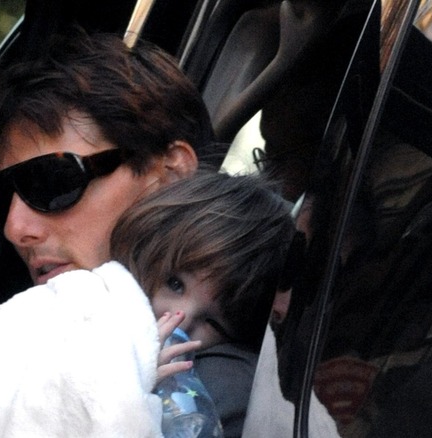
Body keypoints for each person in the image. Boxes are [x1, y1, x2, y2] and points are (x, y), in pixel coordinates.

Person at [0, 30, 225, 437]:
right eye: (1, 197)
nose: (16, 229)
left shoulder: (230, 390)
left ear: (169, 172)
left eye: (52, 181)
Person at [110, 170, 295, 437]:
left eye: (213, 323)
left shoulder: (213, 385)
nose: (181, 319)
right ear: (141, 254)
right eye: (175, 284)